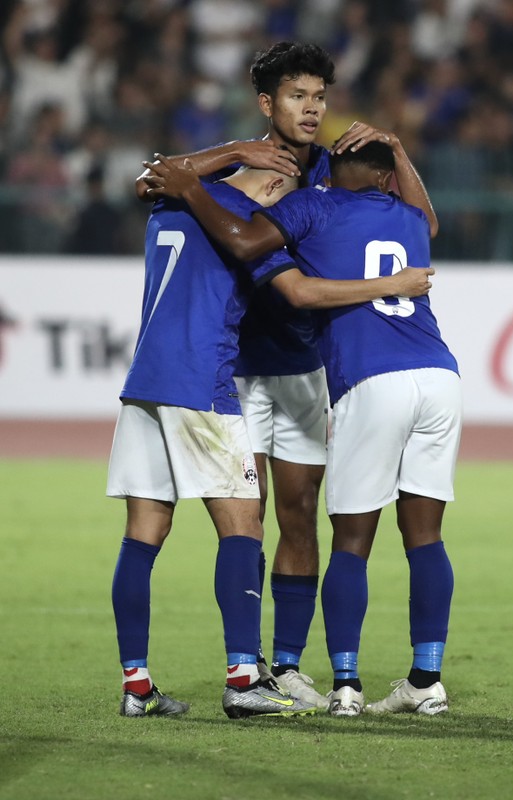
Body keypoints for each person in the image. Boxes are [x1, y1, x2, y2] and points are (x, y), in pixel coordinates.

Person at [143, 128, 459, 719]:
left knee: (348, 538)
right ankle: (426, 680)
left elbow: (246, 243)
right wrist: (396, 146)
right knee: (425, 537)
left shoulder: (313, 202)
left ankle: (342, 686)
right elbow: (429, 218)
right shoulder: (408, 217)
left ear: (334, 170)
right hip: (440, 376)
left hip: (367, 380)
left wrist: (191, 185)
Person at [135, 41, 389, 707]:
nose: (312, 108)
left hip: (302, 365)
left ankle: (286, 665)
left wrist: (399, 150)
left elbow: (415, 217)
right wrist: (227, 158)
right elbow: (147, 180)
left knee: (301, 512)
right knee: (246, 513)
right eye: (299, 96)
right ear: (267, 103)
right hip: (235, 370)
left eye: (319, 97)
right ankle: (244, 667)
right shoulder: (241, 164)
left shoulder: (336, 172)